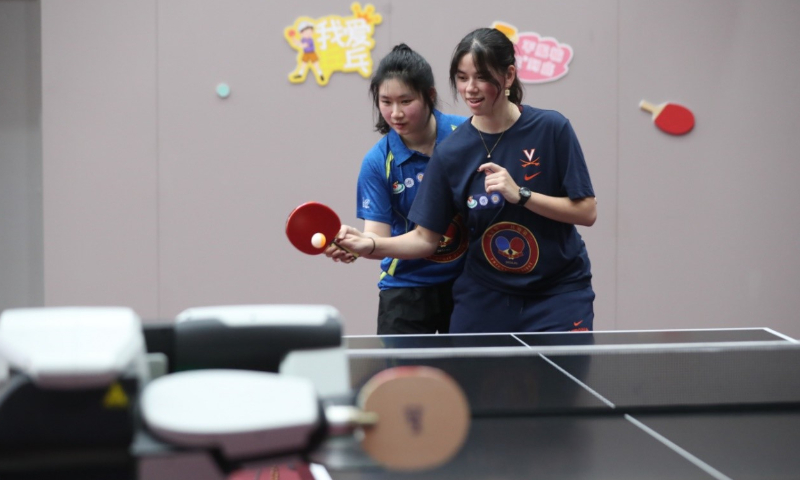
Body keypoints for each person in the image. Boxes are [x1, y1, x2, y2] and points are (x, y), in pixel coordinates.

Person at [335, 28, 597, 333]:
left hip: (558, 290)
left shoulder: (552, 128)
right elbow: (425, 238)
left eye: (481, 77)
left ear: (509, 76)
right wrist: (367, 244)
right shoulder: (451, 151)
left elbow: (587, 212)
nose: (470, 88)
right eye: (462, 78)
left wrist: (522, 195)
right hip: (486, 293)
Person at [326, 44, 468, 335]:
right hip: (406, 288)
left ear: (429, 95)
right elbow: (377, 237)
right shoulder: (378, 161)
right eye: (386, 102)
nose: (395, 113)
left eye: (406, 101)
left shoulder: (466, 136)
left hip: (469, 283)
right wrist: (357, 243)